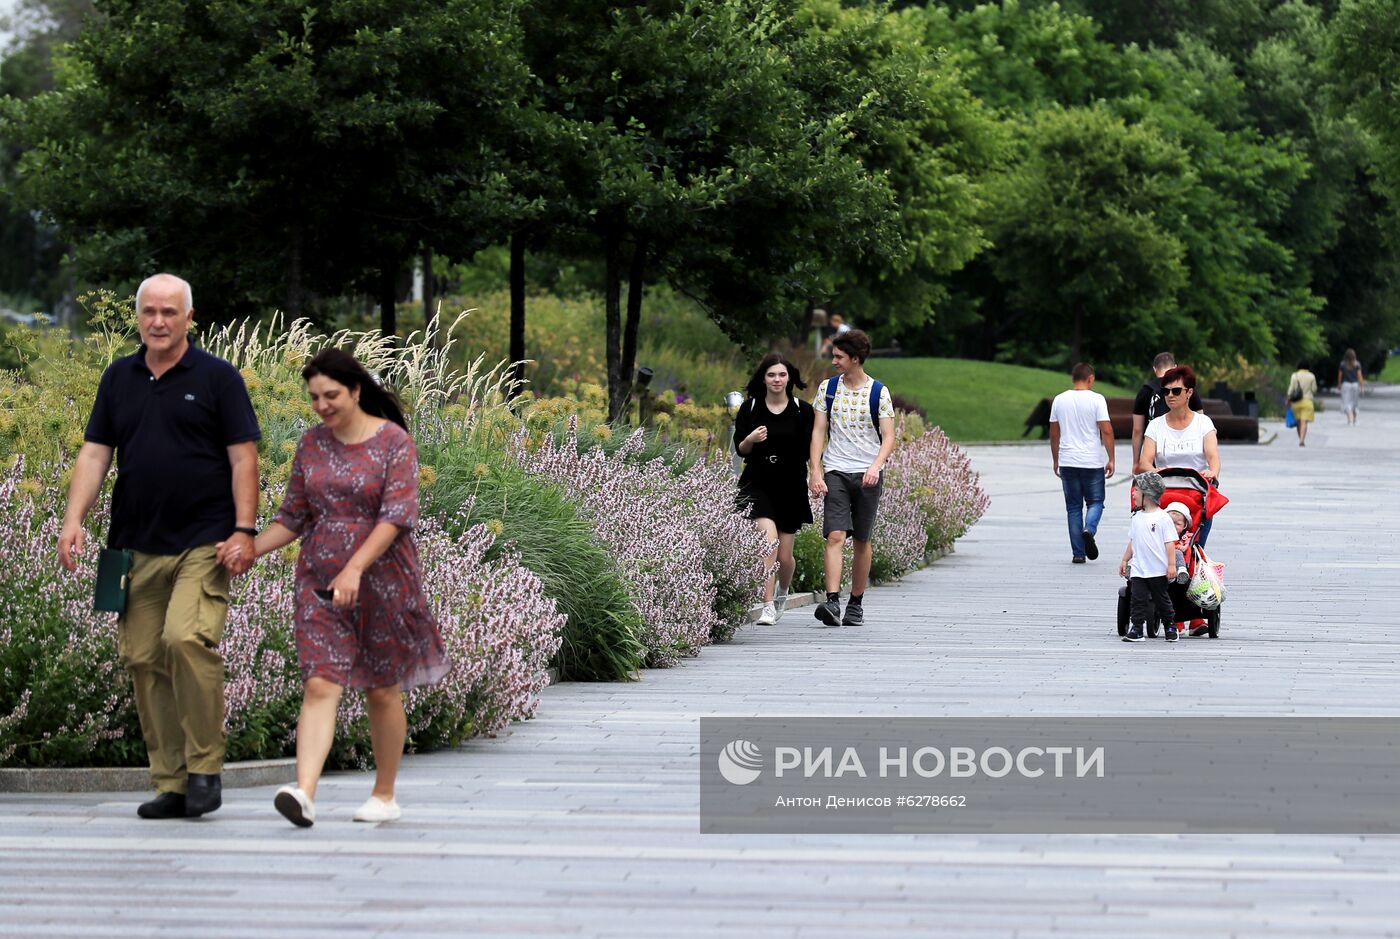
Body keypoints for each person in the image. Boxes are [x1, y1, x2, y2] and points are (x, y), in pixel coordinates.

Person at [57, 273, 261, 820]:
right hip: (135, 543)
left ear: (189, 318)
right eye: (150, 311)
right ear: (139, 316)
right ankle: (171, 783)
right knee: (143, 656)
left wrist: (245, 530)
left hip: (205, 539)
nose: (159, 321)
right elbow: (96, 453)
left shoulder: (218, 378)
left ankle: (205, 769)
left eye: (170, 312)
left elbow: (244, 457)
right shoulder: (118, 377)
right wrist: (74, 519)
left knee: (185, 638)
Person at [232, 348, 448, 828]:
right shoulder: (311, 445)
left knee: (381, 690)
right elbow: (293, 517)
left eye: (331, 395)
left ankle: (384, 794)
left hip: (385, 581)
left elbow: (396, 517)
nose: (322, 405)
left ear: (355, 390)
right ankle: (303, 793)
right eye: (314, 397)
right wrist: (248, 549)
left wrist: (354, 569)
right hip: (318, 580)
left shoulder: (393, 443)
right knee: (319, 681)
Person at [809, 329, 895, 628]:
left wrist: (876, 466)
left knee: (861, 539)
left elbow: (889, 436)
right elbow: (818, 431)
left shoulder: (878, 392)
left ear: (855, 359)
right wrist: (816, 470)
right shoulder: (828, 389)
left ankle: (855, 603)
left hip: (868, 474)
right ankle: (832, 601)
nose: (833, 361)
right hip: (836, 470)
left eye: (839, 357)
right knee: (835, 535)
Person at [733, 353, 815, 625]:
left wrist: (816, 475)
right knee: (768, 543)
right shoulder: (751, 407)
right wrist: (751, 438)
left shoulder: (803, 410)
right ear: (763, 378)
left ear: (789, 377)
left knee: (784, 556)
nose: (776, 379)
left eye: (781, 374)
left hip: (790, 485)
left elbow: (809, 451)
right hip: (758, 481)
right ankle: (767, 605)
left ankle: (782, 591)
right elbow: (740, 449)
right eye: (771, 375)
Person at [1138, 365, 1219, 544]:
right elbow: (1144, 461)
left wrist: (1213, 471)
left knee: (1194, 547)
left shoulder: (1203, 423)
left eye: (1176, 391)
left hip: (1196, 493)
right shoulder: (1156, 425)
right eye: (1166, 391)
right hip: (1164, 492)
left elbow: (1213, 457)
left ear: (1189, 392)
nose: (1170, 396)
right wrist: (1155, 470)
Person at [1049, 363, 1115, 564]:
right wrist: (1111, 458)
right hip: (1091, 461)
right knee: (1095, 502)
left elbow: (1054, 433)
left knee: (1073, 507)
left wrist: (1056, 460)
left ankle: (1078, 553)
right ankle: (1089, 529)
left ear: (1073, 378)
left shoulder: (1059, 400)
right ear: (1091, 378)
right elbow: (1106, 430)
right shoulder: (1097, 400)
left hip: (1068, 460)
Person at [1118, 472, 1186, 643]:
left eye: (1136, 490)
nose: (1133, 493)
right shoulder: (1136, 517)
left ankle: (1170, 625)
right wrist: (1125, 559)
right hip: (1139, 568)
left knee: (1161, 598)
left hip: (1157, 569)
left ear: (1147, 495)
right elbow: (1133, 541)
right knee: (1137, 598)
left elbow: (1170, 543)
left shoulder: (1163, 518)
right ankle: (1137, 628)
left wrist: (1172, 565)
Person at [1131, 352, 1203, 472]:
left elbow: (1137, 430)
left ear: (1154, 369)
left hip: (1155, 451)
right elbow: (1201, 421)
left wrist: (1136, 462)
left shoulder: (1145, 391)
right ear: (1175, 367)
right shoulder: (1187, 389)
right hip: (1188, 454)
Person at [1286, 361, 1319, 446]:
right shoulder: (1311, 376)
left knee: (1298, 422)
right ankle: (1302, 439)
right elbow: (1314, 389)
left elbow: (1290, 390)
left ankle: (1300, 438)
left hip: (1296, 403)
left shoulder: (1294, 376)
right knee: (1304, 422)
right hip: (1307, 402)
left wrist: (1288, 399)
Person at [1338, 349, 1365, 426]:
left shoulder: (1342, 364)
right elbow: (1359, 376)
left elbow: (1340, 375)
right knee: (1355, 403)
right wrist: (1362, 386)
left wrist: (1339, 384)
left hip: (1346, 385)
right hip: (1355, 385)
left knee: (1346, 403)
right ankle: (1355, 420)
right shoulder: (1357, 364)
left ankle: (1350, 420)